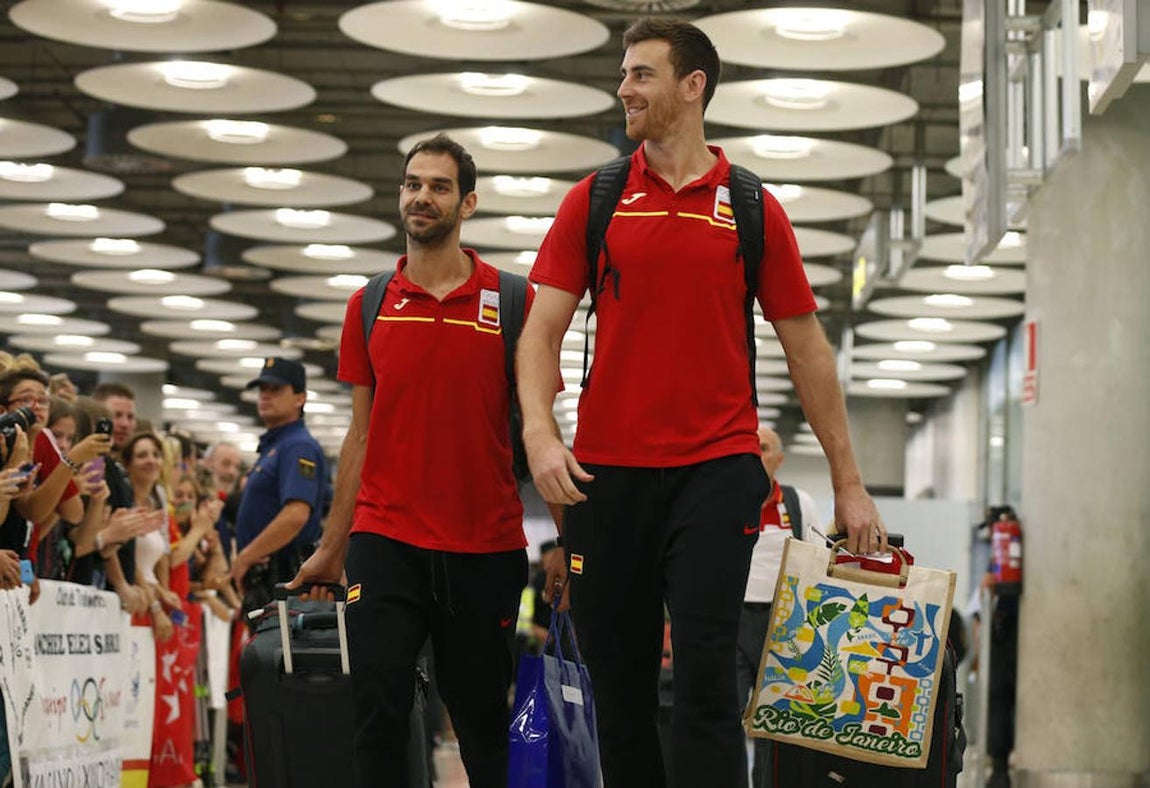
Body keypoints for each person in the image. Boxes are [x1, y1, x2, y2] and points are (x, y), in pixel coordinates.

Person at [515, 18, 885, 787]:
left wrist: (849, 483)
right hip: (608, 478)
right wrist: (541, 436)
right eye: (624, 73)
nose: (625, 88)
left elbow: (808, 350)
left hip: (716, 473)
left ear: (694, 86)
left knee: (709, 685)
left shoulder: (750, 206)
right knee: (620, 692)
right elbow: (539, 332)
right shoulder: (598, 199)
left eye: (642, 74)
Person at [289, 133, 530, 788]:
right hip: (385, 540)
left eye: (439, 186)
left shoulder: (513, 302)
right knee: (377, 712)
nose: (422, 196)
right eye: (413, 184)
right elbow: (360, 437)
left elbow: (542, 429)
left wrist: (573, 547)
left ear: (468, 202)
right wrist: (333, 545)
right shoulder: (368, 304)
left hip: (485, 545)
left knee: (482, 720)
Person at [735, 426, 822, 788]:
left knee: (774, 723)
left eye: (765, 448)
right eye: (751, 448)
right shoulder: (722, 499)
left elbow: (818, 559)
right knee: (725, 716)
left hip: (784, 621)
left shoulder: (798, 503)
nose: (757, 455)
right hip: (733, 619)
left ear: (779, 460)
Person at [229, 357, 327, 614]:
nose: (266, 396)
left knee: (278, 652)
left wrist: (246, 556)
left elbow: (296, 515)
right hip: (268, 576)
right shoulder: (276, 446)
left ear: (299, 398)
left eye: (276, 390)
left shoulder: (297, 446)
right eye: (262, 390)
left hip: (283, 573)